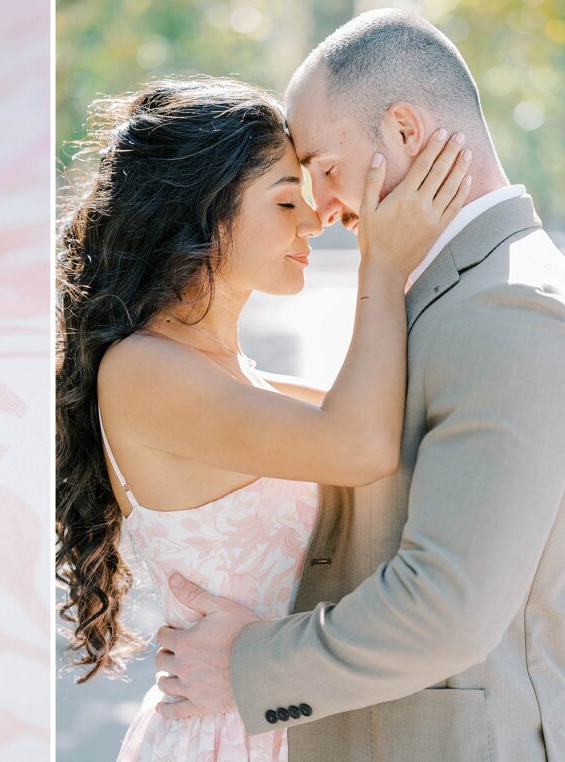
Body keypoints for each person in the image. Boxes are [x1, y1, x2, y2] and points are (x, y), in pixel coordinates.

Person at [155, 10, 565, 761]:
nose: (323, 207)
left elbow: (448, 609)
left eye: (324, 167)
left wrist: (244, 670)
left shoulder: (513, 309)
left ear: (404, 133)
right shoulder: (446, 294)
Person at [55, 73, 469, 760]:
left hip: (283, 715)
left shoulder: (239, 376)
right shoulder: (143, 371)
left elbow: (395, 425)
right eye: (285, 201)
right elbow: (360, 445)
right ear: (204, 212)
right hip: (228, 736)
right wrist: (384, 262)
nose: (312, 221)